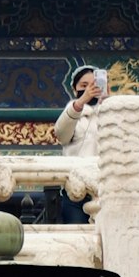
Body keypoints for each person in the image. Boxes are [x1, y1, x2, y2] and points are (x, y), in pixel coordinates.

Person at [54, 65, 107, 223]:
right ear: (74, 88)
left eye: (94, 85)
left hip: (103, 188)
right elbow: (61, 134)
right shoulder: (72, 113)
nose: (90, 90)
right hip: (75, 190)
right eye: (84, 86)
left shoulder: (107, 112)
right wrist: (81, 102)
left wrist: (108, 105)